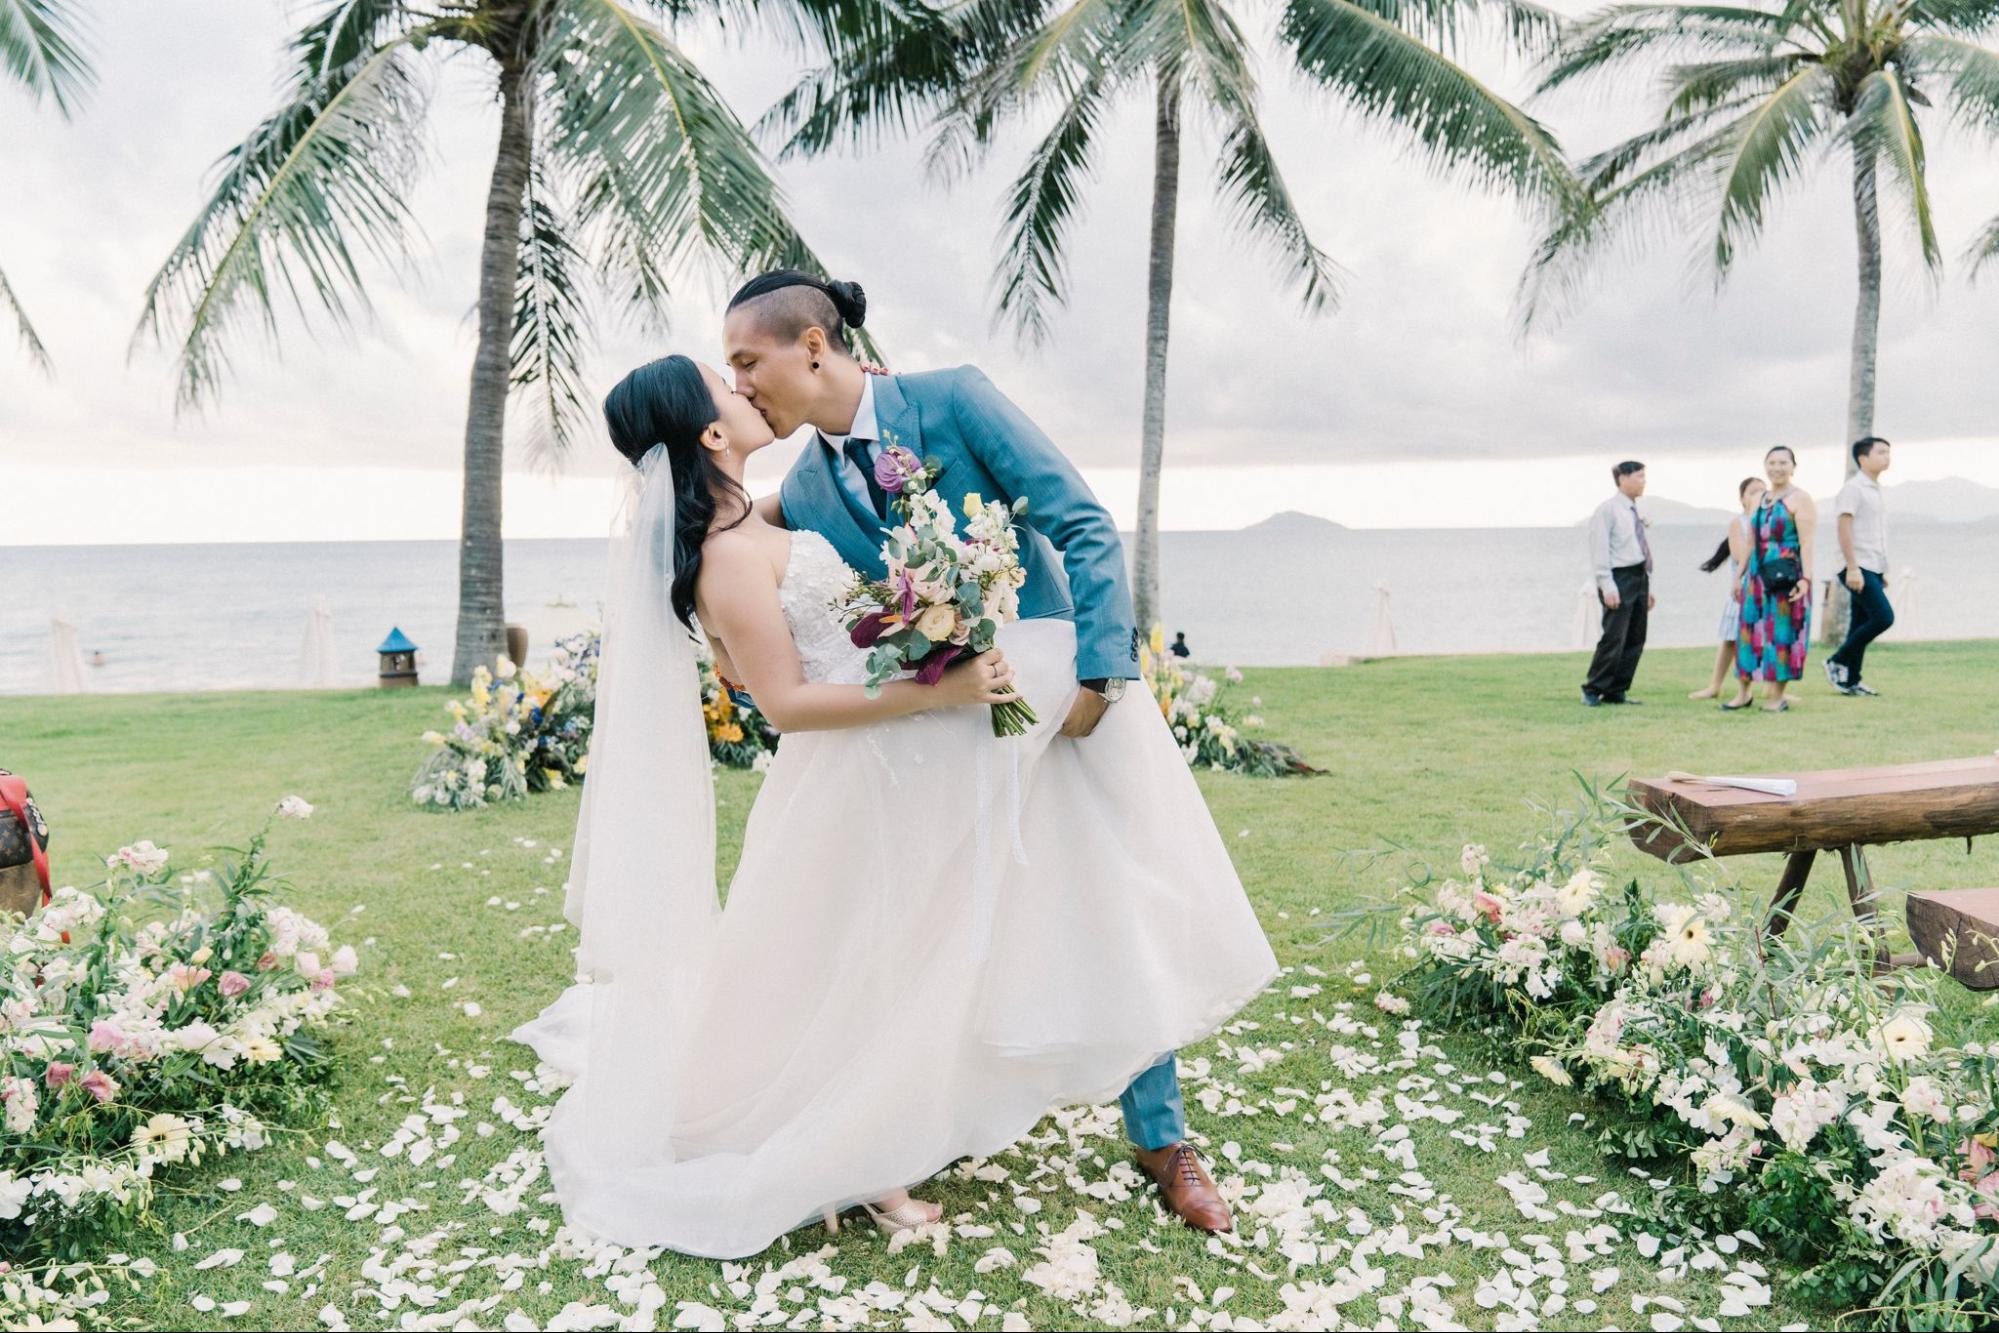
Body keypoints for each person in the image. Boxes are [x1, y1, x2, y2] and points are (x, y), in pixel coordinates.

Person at [511, 350, 1276, 1256]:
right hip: (891, 758)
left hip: (981, 730)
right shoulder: (777, 508)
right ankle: (868, 1143)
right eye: (728, 381)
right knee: (881, 956)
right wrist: (931, 683)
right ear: (710, 430)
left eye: (748, 363)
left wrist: (1094, 676)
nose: (744, 384)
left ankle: (1151, 1130)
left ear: (813, 347)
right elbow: (773, 678)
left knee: (1082, 899)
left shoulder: (922, 418)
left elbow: (1074, 522)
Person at [1724, 445, 1817, 712]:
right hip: (1756, 573)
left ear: (1793, 467)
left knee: (1783, 634)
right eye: (1772, 462)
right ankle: (1743, 693)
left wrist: (1806, 579)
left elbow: (1808, 543)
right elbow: (1751, 542)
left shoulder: (1801, 499)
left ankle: (1777, 697)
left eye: (1783, 463)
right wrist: (1738, 576)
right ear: (1765, 466)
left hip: (1787, 574)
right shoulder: (1758, 499)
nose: (1777, 468)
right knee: (1748, 631)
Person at [1581, 461, 1654, 706]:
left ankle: (1617, 689)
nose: (1643, 481)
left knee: (1636, 636)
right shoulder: (1608, 510)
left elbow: (1638, 548)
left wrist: (1648, 586)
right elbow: (1599, 549)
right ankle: (1593, 688)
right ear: (1622, 478)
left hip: (1639, 575)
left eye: (1644, 476)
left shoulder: (1632, 510)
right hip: (1618, 576)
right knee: (1614, 635)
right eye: (1639, 476)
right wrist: (1607, 585)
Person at [1825, 436, 1894, 696]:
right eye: (1881, 452)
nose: (1887, 456)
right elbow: (1844, 528)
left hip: (1872, 566)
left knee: (1860, 621)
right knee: (1883, 617)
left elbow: (1874, 534)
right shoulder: (1853, 488)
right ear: (1863, 458)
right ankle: (1837, 660)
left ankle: (1851, 680)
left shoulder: (1875, 490)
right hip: (1856, 564)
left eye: (1888, 452)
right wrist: (1852, 567)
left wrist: (1881, 571)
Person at [1690, 477, 1766, 700]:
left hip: (1766, 587)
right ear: (1742, 498)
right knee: (1731, 638)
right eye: (1753, 492)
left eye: (1762, 491)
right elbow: (1739, 554)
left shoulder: (1770, 520)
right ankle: (1715, 686)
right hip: (1742, 588)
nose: (1758, 496)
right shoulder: (1738, 523)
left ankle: (1772, 689)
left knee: (1766, 638)